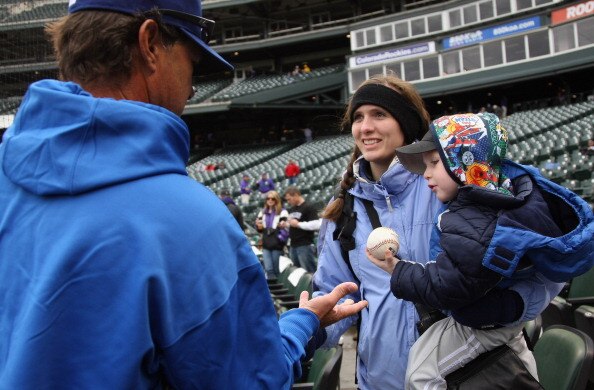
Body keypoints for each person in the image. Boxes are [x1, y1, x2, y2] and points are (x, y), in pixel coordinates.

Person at [0, 1, 368, 388]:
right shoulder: (190, 221)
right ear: (150, 43)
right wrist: (302, 324)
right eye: (192, 60)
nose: (192, 86)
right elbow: (252, 381)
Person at [312, 74, 565, 390]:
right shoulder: (343, 209)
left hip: (471, 374)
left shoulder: (456, 183)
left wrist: (510, 305)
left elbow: (545, 262)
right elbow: (337, 290)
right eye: (358, 117)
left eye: (379, 114)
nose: (365, 127)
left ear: (406, 122)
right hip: (381, 380)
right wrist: (318, 325)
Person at [369, 112, 594, 389]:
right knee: (516, 364)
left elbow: (449, 287)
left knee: (421, 375)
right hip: (497, 316)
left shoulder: (478, 217)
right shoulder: (484, 200)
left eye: (435, 163)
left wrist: (398, 271)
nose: (426, 173)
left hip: (485, 323)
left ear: (464, 161)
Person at [284, 186, 321, 273]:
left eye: (289, 199)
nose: (288, 202)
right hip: (293, 245)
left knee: (308, 272)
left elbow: (316, 224)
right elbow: (292, 224)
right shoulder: (292, 209)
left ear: (296, 195)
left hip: (305, 244)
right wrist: (286, 225)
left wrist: (298, 224)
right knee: (298, 273)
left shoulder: (309, 207)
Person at [256, 190, 289, 280]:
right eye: (268, 198)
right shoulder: (262, 212)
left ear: (277, 200)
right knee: (268, 269)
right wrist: (258, 226)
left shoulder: (283, 212)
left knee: (276, 268)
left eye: (273, 198)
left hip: (277, 245)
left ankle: (279, 290)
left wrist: (279, 240)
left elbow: (285, 230)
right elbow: (259, 229)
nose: (270, 200)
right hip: (266, 243)